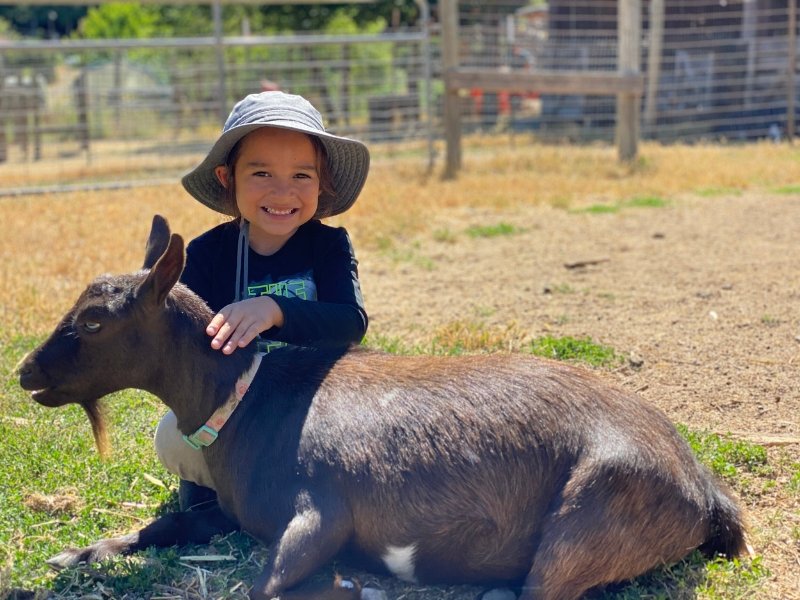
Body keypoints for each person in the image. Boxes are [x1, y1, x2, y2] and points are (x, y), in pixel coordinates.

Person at [154, 91, 370, 510]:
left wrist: (275, 309)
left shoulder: (328, 245)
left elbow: (350, 321)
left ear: (322, 184)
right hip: (240, 411)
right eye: (262, 174)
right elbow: (180, 344)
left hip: (316, 404)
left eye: (302, 177)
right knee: (172, 437)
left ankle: (259, 491)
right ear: (226, 178)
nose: (283, 192)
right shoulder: (208, 254)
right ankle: (226, 487)